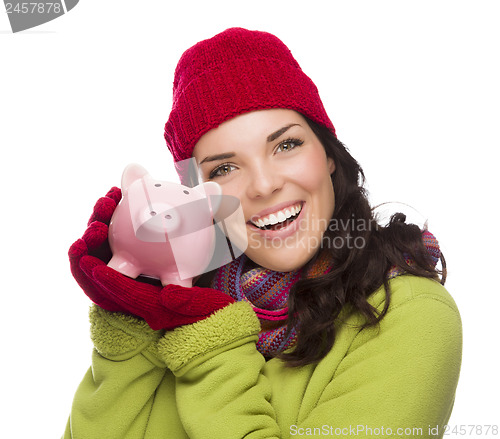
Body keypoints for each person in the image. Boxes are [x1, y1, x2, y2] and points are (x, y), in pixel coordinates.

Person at [64, 28, 462, 438]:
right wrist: (127, 324)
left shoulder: (410, 313)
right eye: (223, 168)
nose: (263, 185)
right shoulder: (170, 310)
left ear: (327, 154)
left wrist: (211, 341)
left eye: (286, 145)